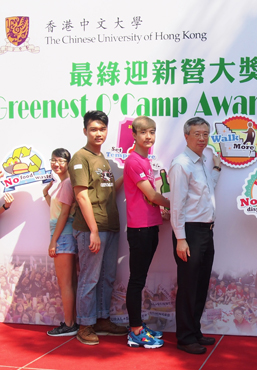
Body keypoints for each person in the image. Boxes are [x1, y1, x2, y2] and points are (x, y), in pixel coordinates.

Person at [69, 110, 127, 345]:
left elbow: (110, 189)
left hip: (110, 226)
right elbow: (81, 196)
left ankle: (102, 319)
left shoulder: (102, 159)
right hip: (91, 229)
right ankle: (85, 324)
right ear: (85, 131)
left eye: (102, 129)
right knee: (89, 278)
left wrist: (133, 173)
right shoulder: (79, 158)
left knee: (107, 277)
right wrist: (93, 230)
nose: (98, 133)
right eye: (93, 129)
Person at [169, 117, 221, 355]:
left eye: (205, 134)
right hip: (189, 232)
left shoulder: (201, 162)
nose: (202, 138)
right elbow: (177, 205)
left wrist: (217, 168)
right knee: (189, 286)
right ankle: (185, 337)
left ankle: (195, 330)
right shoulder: (181, 164)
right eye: (197, 134)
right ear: (186, 136)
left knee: (200, 285)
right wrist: (180, 238)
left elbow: (208, 187)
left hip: (206, 231)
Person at [124, 116, 170, 349]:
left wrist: (161, 213)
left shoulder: (145, 160)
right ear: (134, 135)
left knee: (140, 279)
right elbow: (151, 196)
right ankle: (134, 331)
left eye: (152, 131)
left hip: (150, 226)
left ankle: (139, 326)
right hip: (140, 229)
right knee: (137, 280)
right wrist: (177, 206)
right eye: (143, 132)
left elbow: (149, 200)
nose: (148, 136)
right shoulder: (133, 161)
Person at [42, 148, 78, 336]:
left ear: (68, 163)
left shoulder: (66, 184)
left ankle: (69, 324)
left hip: (62, 235)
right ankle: (72, 322)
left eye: (60, 161)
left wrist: (53, 241)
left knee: (65, 283)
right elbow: (57, 210)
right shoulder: (63, 184)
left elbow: (64, 214)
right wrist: (46, 193)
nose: (56, 164)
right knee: (69, 282)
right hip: (64, 233)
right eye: (53, 160)